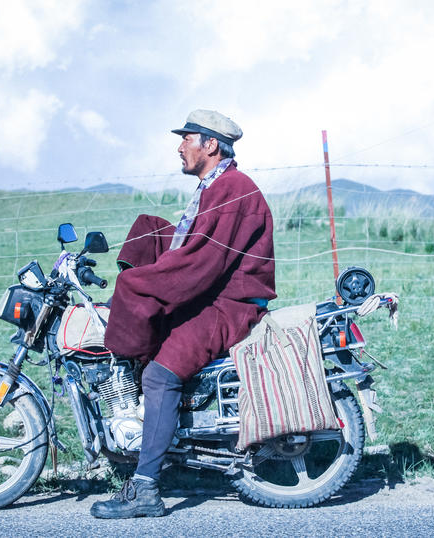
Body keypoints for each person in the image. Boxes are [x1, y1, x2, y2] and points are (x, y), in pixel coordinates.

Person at [90, 110, 276, 518]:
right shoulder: (215, 186)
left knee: (160, 374)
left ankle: (145, 490)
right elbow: (186, 247)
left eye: (187, 138)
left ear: (210, 145)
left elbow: (202, 264)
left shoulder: (233, 190)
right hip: (214, 293)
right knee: (148, 227)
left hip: (231, 303)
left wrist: (139, 287)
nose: (179, 146)